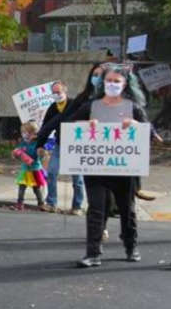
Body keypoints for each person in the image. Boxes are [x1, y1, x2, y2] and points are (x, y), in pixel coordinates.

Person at [55, 65, 149, 268]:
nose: (112, 84)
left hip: (124, 168)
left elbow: (148, 135)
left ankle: (131, 246)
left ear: (125, 84)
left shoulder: (134, 107)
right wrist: (84, 125)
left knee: (127, 209)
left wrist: (135, 126)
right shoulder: (91, 106)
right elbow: (68, 128)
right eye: (109, 81)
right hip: (96, 168)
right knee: (96, 209)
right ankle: (93, 252)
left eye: (117, 81)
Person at [39, 80, 85, 214]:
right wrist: (40, 144)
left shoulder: (74, 105)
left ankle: (77, 206)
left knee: (77, 178)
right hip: (60, 144)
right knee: (52, 172)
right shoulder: (53, 108)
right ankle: (51, 203)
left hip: (76, 145)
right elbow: (45, 127)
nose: (56, 95)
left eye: (58, 92)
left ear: (65, 91)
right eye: (53, 93)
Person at [11, 121, 47, 210]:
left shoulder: (37, 143)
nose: (24, 134)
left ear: (33, 133)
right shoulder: (23, 142)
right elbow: (19, 151)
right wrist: (16, 153)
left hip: (35, 169)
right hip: (25, 169)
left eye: (26, 132)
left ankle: (41, 203)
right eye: (22, 132)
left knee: (36, 188)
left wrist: (39, 153)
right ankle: (20, 203)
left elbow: (39, 155)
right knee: (22, 187)